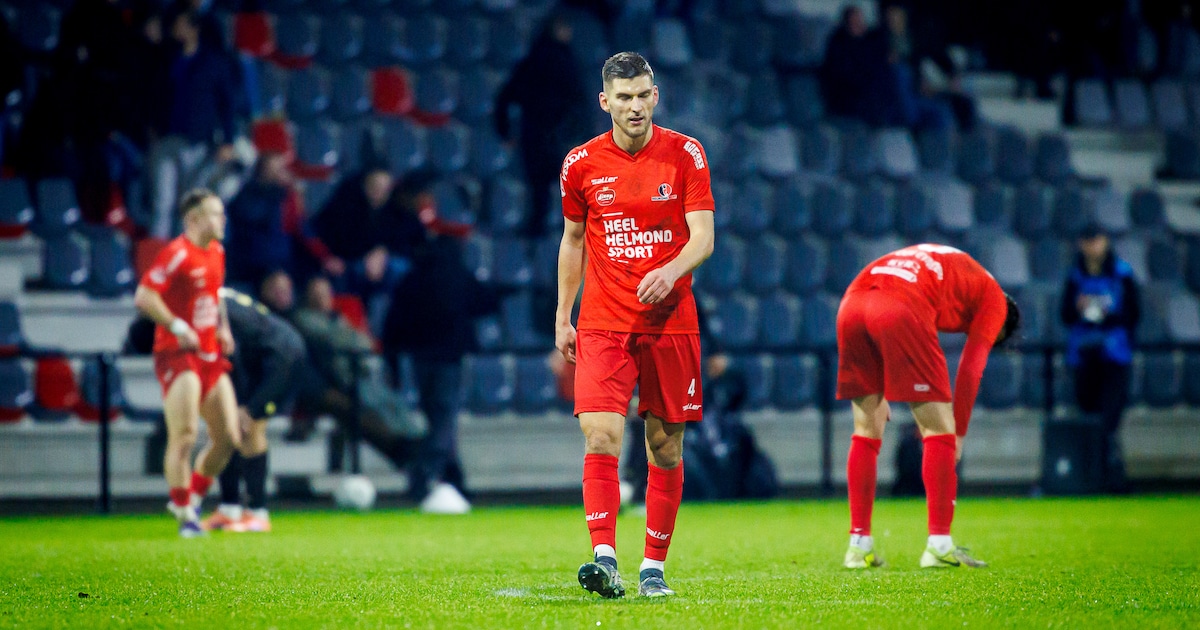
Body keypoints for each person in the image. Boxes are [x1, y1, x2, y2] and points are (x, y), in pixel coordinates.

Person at [556, 52, 715, 599]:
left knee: (664, 448)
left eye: (642, 95)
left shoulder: (686, 154)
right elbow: (573, 240)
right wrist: (563, 313)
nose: (634, 106)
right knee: (599, 433)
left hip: (670, 324)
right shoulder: (580, 164)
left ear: (655, 96)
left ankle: (653, 568)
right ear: (606, 102)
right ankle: (605, 558)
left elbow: (703, 238)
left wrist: (669, 272)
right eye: (623, 97)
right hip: (603, 323)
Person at [835, 244, 1020, 569]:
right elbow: (971, 368)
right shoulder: (994, 301)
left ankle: (858, 546)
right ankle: (939, 544)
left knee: (866, 428)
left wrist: (880, 384)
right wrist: (958, 433)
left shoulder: (958, 269)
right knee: (939, 429)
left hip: (852, 303)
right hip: (899, 303)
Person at [133, 188, 241, 537]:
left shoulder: (217, 252)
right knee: (185, 434)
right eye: (215, 214)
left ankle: (191, 497)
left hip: (210, 352)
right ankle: (185, 514)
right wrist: (177, 326)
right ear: (193, 219)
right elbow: (145, 295)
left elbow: (215, 293)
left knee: (228, 437)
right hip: (178, 354)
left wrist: (223, 327)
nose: (222, 220)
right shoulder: (177, 253)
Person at [383, 234, 499, 514]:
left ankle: (452, 476)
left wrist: (394, 364)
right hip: (449, 358)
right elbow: (486, 302)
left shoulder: (412, 279)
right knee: (444, 417)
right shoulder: (457, 275)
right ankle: (424, 473)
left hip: (420, 358)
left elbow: (393, 324)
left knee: (435, 416)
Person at [202, 288, 306, 533]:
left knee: (249, 427)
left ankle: (258, 512)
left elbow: (230, 350)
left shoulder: (206, 303)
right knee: (226, 429)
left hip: (280, 357)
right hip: (263, 357)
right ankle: (229, 509)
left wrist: (239, 405)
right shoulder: (215, 294)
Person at [145, 9, 241, 238]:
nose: (177, 30)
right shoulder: (165, 57)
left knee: (188, 202)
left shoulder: (213, 62)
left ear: (194, 28)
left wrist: (228, 139)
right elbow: (152, 95)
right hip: (167, 139)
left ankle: (183, 253)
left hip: (197, 140)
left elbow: (227, 104)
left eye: (181, 24)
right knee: (162, 200)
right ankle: (159, 253)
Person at [494, 12, 590, 237]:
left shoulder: (531, 61)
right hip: (558, 137)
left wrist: (504, 130)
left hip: (535, 135)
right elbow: (580, 105)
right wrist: (581, 136)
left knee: (540, 190)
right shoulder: (567, 64)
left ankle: (538, 230)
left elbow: (505, 98)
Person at [1060, 224, 1140, 493]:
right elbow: (1065, 315)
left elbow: (1133, 315)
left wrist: (1106, 316)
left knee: (1109, 421)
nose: (1092, 247)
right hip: (1083, 356)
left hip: (1114, 356)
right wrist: (1079, 308)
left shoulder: (1122, 275)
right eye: (1087, 241)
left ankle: (1112, 479)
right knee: (1087, 418)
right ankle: (1089, 478)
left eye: (1096, 240)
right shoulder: (1075, 276)